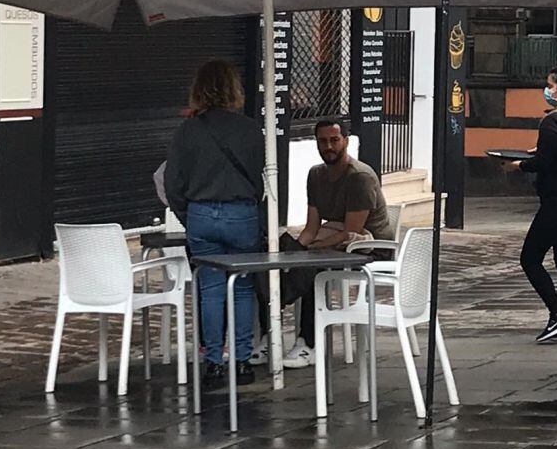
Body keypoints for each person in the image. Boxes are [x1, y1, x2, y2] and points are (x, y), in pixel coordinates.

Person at [253, 119, 394, 369]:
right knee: (272, 260)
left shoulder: (360, 177)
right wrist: (294, 250)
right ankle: (268, 335)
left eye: (334, 140)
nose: (328, 146)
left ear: (346, 142)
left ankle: (309, 343)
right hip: (336, 240)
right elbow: (311, 228)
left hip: (369, 247)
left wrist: (310, 251)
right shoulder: (316, 175)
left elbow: (351, 231)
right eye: (322, 141)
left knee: (312, 269)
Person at [165, 60, 264, 390]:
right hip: (242, 213)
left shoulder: (188, 130)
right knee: (244, 287)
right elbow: (262, 178)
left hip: (202, 214)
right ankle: (242, 360)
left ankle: (213, 363)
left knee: (210, 289)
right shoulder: (250, 129)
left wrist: (188, 214)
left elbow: (173, 183)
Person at [502, 65, 557, 344]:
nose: (547, 91)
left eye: (550, 86)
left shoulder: (553, 121)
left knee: (530, 258)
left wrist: (519, 165)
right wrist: (543, 153)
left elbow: (544, 162)